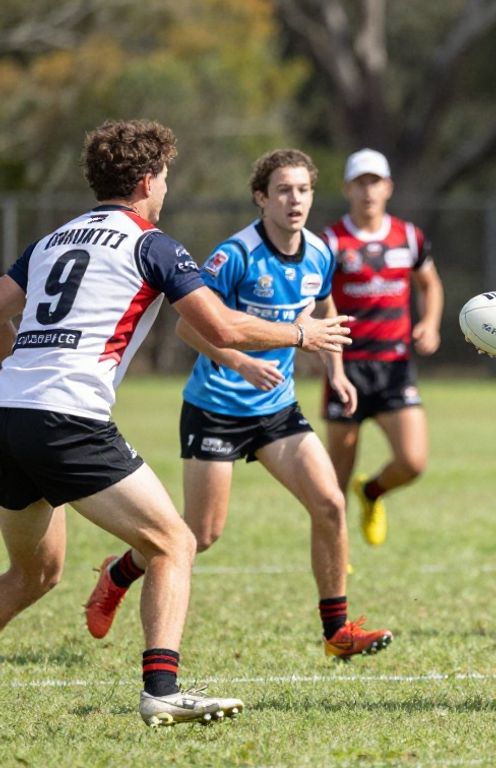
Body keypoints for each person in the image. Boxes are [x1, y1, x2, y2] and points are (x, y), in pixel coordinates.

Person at [0, 120, 351, 725]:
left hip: (8, 417)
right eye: (163, 177)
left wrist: (18, 366)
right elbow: (220, 327)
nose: (165, 188)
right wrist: (303, 333)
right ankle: (162, 691)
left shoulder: (53, 240)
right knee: (174, 542)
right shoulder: (152, 244)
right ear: (145, 182)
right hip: (69, 419)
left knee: (36, 573)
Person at [84, 148, 394, 662]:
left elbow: (324, 305)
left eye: (303, 190)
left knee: (330, 504)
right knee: (200, 534)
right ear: (261, 198)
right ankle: (118, 574)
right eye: (283, 191)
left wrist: (337, 372)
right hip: (216, 408)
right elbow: (188, 325)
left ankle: (337, 632)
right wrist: (242, 362)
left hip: (277, 409)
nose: (295, 200)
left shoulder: (319, 252)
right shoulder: (236, 255)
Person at [321, 149, 444, 547]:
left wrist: (429, 323)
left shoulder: (408, 237)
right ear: (347, 189)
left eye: (375, 182)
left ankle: (372, 492)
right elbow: (316, 298)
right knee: (333, 485)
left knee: (413, 462)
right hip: (347, 369)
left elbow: (431, 283)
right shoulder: (331, 241)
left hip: (394, 366)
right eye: (360, 183)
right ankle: (338, 561)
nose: (368, 190)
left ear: (388, 188)